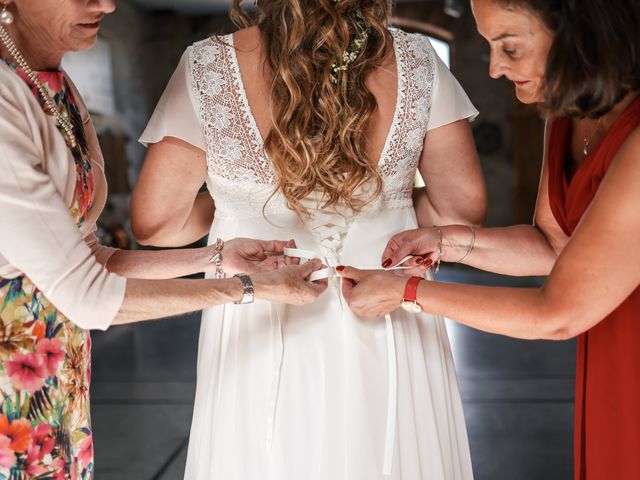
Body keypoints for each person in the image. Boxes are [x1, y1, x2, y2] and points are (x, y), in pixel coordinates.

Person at [131, 0, 487, 478]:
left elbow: (159, 225)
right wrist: (386, 203)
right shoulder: (419, 61)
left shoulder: (209, 66)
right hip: (386, 301)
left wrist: (242, 200)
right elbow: (456, 211)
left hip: (259, 314)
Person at [0, 0, 327, 477]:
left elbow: (89, 258)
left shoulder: (54, 86)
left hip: (56, 373)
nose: (107, 3)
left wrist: (220, 257)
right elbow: (89, 297)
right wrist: (252, 291)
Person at [338, 0, 640, 478]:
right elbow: (553, 245)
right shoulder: (565, 109)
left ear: (580, 31)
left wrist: (409, 292)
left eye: (511, 47)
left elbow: (557, 313)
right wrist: (444, 240)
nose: (496, 68)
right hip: (615, 357)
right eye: (490, 46)